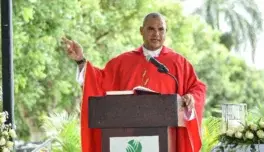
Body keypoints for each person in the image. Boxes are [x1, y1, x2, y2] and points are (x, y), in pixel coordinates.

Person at [62, 12, 206, 152]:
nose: (156, 34)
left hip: (167, 139)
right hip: (127, 137)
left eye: (161, 29)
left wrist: (191, 97)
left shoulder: (178, 63)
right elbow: (98, 82)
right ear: (141, 31)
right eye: (151, 29)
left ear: (166, 32)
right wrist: (81, 60)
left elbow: (197, 87)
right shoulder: (123, 62)